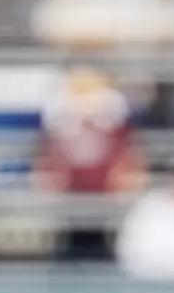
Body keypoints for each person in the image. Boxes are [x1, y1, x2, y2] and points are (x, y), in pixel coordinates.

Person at [33, 67, 148, 261]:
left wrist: (122, 191)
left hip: (104, 205)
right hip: (68, 206)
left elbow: (128, 161)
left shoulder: (117, 130)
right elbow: (47, 164)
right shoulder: (58, 130)